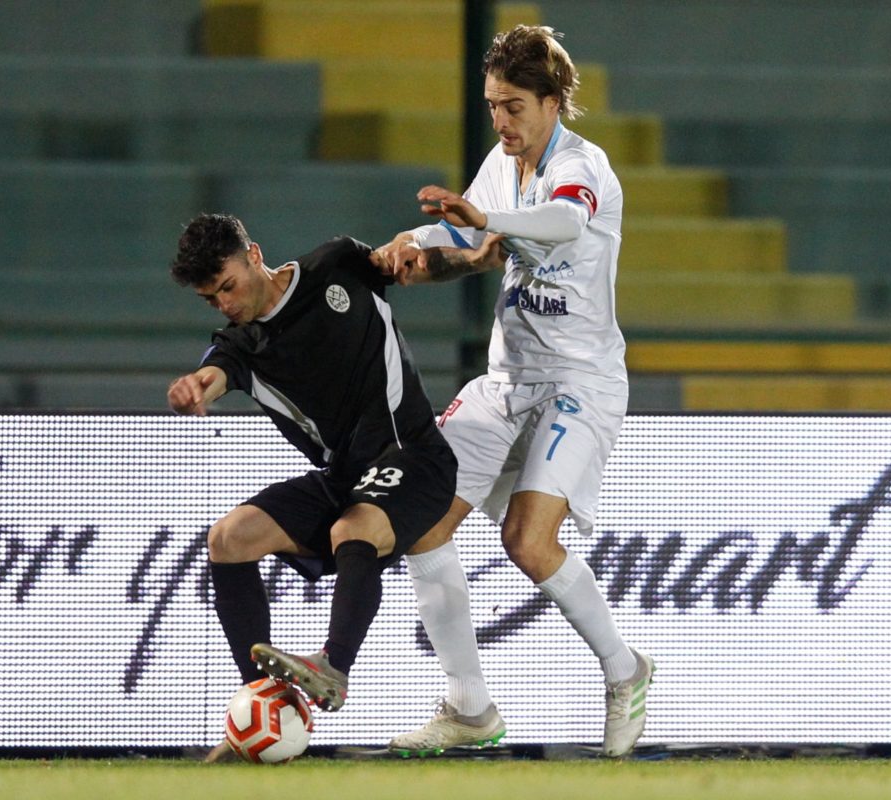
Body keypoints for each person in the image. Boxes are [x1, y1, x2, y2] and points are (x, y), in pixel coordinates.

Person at [378, 24, 653, 759]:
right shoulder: (501, 167)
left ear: (554, 101)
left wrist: (484, 221)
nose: (501, 121)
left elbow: (561, 223)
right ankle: (470, 709)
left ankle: (626, 671)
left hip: (579, 385)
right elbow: (468, 249)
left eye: (514, 106)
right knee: (422, 522)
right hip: (507, 382)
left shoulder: (583, 167)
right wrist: (401, 252)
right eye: (494, 105)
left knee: (527, 542)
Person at [166, 213, 477, 760]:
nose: (225, 304)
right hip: (344, 478)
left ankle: (332, 667)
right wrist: (198, 388)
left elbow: (404, 264)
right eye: (210, 299)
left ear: (254, 255)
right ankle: (265, 701)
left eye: (228, 287)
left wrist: (456, 253)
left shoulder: (335, 263)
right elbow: (215, 372)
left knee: (352, 528)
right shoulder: (240, 345)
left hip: (413, 454)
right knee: (228, 539)